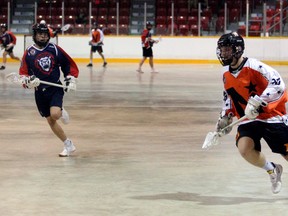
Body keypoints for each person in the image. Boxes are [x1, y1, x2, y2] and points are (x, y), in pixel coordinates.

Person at [216, 31, 288, 194]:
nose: (223, 53)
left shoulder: (255, 66)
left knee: (286, 151)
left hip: (271, 116)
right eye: (222, 49)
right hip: (248, 119)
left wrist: (258, 100)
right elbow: (228, 96)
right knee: (244, 148)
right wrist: (225, 116)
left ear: (237, 49)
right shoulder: (226, 74)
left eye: (227, 49)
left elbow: (278, 84)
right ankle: (273, 170)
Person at [19, 23, 79, 157]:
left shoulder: (54, 49)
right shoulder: (29, 53)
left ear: (48, 36)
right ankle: (68, 145)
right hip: (40, 92)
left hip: (55, 88)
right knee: (51, 121)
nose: (43, 36)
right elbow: (23, 74)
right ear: (34, 35)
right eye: (40, 34)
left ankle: (61, 111)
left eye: (45, 34)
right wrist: (28, 81)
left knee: (55, 114)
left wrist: (70, 78)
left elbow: (68, 64)